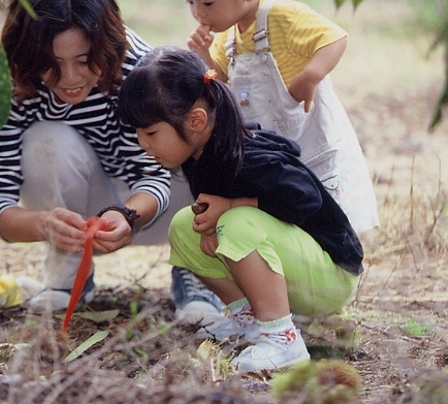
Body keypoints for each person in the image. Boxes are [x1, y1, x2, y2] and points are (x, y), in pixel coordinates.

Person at [0, 0, 221, 318]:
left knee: (184, 138)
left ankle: (196, 266)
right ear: (27, 53)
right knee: (47, 142)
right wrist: (44, 224)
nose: (70, 78)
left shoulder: (141, 68)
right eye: (52, 63)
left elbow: (152, 174)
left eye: (84, 60)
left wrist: (127, 215)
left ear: (105, 44)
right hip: (82, 204)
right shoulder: (5, 86)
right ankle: (67, 271)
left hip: (163, 206)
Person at [118, 46, 364, 372]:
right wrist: (212, 223)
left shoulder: (248, 158)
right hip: (288, 270)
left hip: (329, 276)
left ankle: (282, 340)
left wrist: (232, 206)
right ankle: (250, 321)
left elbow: (306, 200)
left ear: (196, 121)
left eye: (150, 133)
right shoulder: (198, 154)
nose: (142, 144)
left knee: (236, 222)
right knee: (184, 226)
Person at [174, 0, 378, 234]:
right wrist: (204, 57)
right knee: (284, 208)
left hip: (309, 141)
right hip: (274, 148)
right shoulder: (229, 33)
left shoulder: (282, 15)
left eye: (207, 2)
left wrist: (310, 75)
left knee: (324, 212)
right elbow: (225, 77)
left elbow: (334, 38)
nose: (198, 13)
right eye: (190, 1)